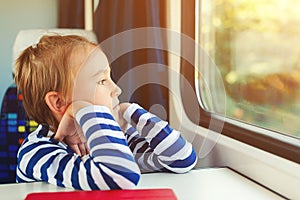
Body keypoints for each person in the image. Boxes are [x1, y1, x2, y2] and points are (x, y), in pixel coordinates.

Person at [14, 34, 198, 190]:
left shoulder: (116, 134)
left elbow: (182, 159)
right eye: (102, 81)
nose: (116, 89)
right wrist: (81, 108)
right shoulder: (37, 152)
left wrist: (131, 111)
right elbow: (120, 177)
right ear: (59, 102)